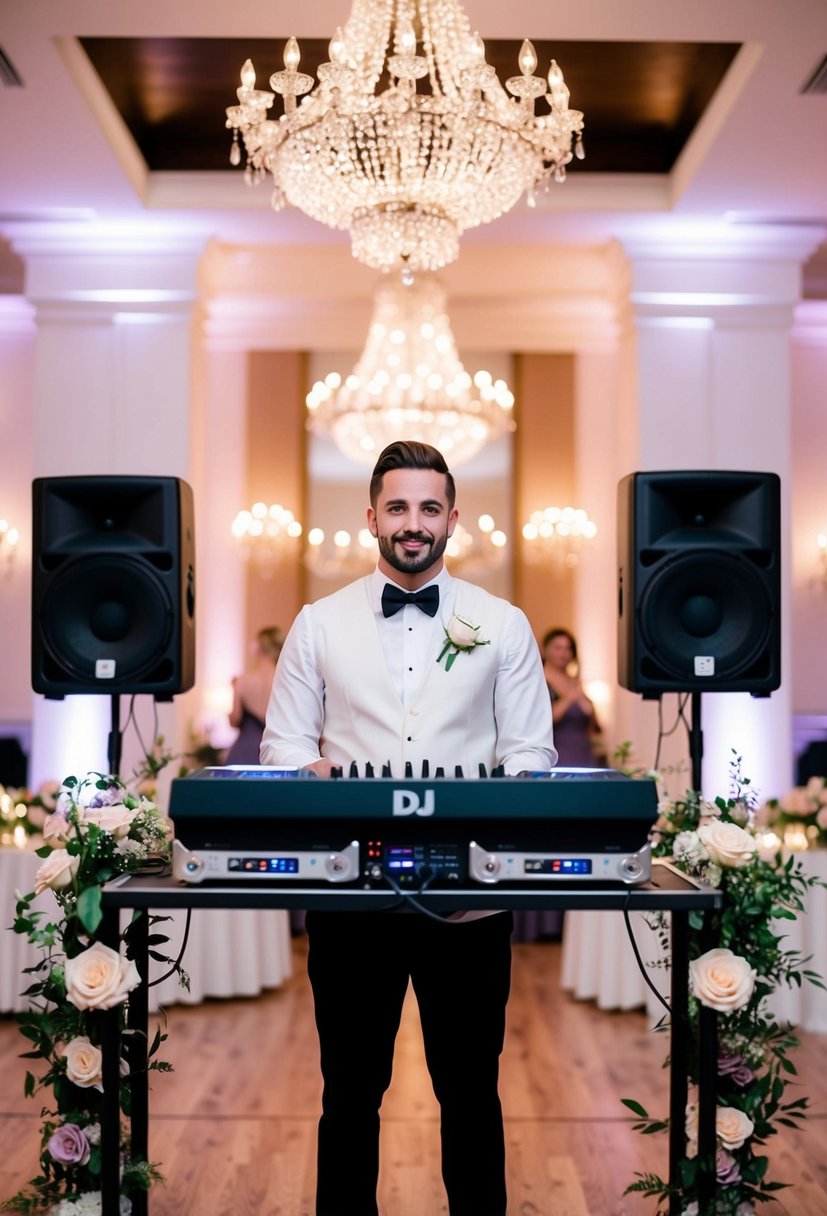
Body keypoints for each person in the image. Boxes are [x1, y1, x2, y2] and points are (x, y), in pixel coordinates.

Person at [261, 440, 555, 1216]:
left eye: (428, 508)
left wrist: (508, 800)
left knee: (471, 1094)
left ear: (453, 518)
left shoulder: (503, 623)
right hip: (350, 894)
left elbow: (530, 754)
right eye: (397, 507)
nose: (413, 523)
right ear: (370, 518)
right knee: (349, 1095)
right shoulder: (317, 623)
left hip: (470, 898)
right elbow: (283, 743)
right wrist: (305, 772)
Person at [541, 626, 606, 768]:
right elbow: (542, 720)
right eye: (558, 648)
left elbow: (593, 724)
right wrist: (569, 699)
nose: (563, 653)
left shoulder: (575, 682)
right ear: (545, 650)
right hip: (557, 753)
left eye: (568, 648)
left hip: (584, 752)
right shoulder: (540, 681)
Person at [224, 626, 284, 765]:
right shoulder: (285, 681)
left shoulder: (242, 682)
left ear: (259, 648)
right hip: (276, 750)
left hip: (246, 750)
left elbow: (235, 720)